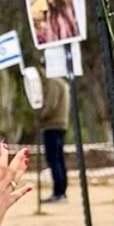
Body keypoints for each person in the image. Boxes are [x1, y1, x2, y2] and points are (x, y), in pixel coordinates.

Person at [39, 74, 69, 202]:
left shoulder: (54, 83)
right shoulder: (63, 82)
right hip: (61, 124)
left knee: (53, 159)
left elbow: (51, 104)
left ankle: (58, 192)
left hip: (52, 125)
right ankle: (61, 191)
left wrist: (41, 115)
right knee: (59, 159)